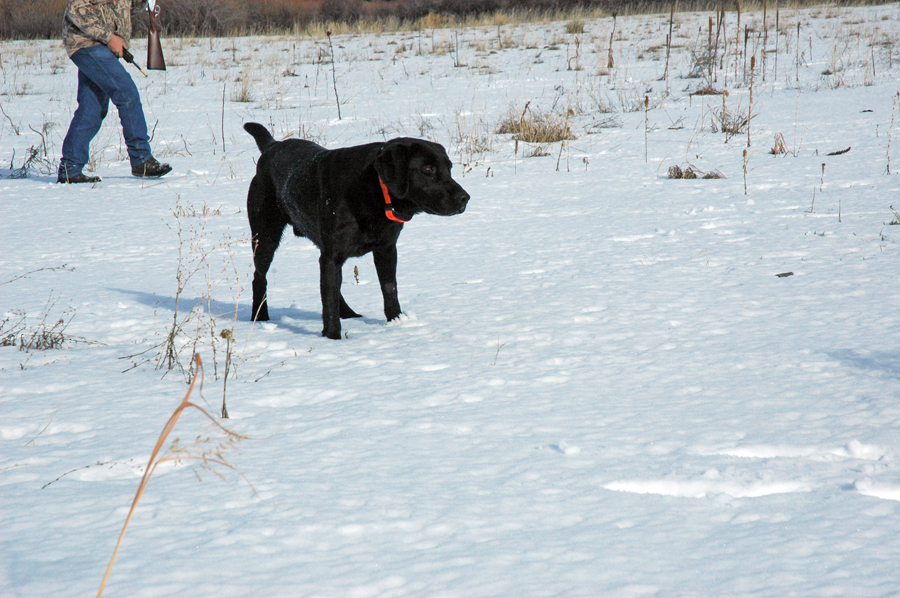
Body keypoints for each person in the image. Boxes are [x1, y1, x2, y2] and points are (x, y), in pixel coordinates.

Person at [58, 0, 171, 183]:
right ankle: (141, 159)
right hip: (87, 43)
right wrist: (110, 37)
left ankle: (70, 168)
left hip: (103, 46)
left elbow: (125, 9)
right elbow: (76, 9)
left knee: (91, 110)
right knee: (127, 94)